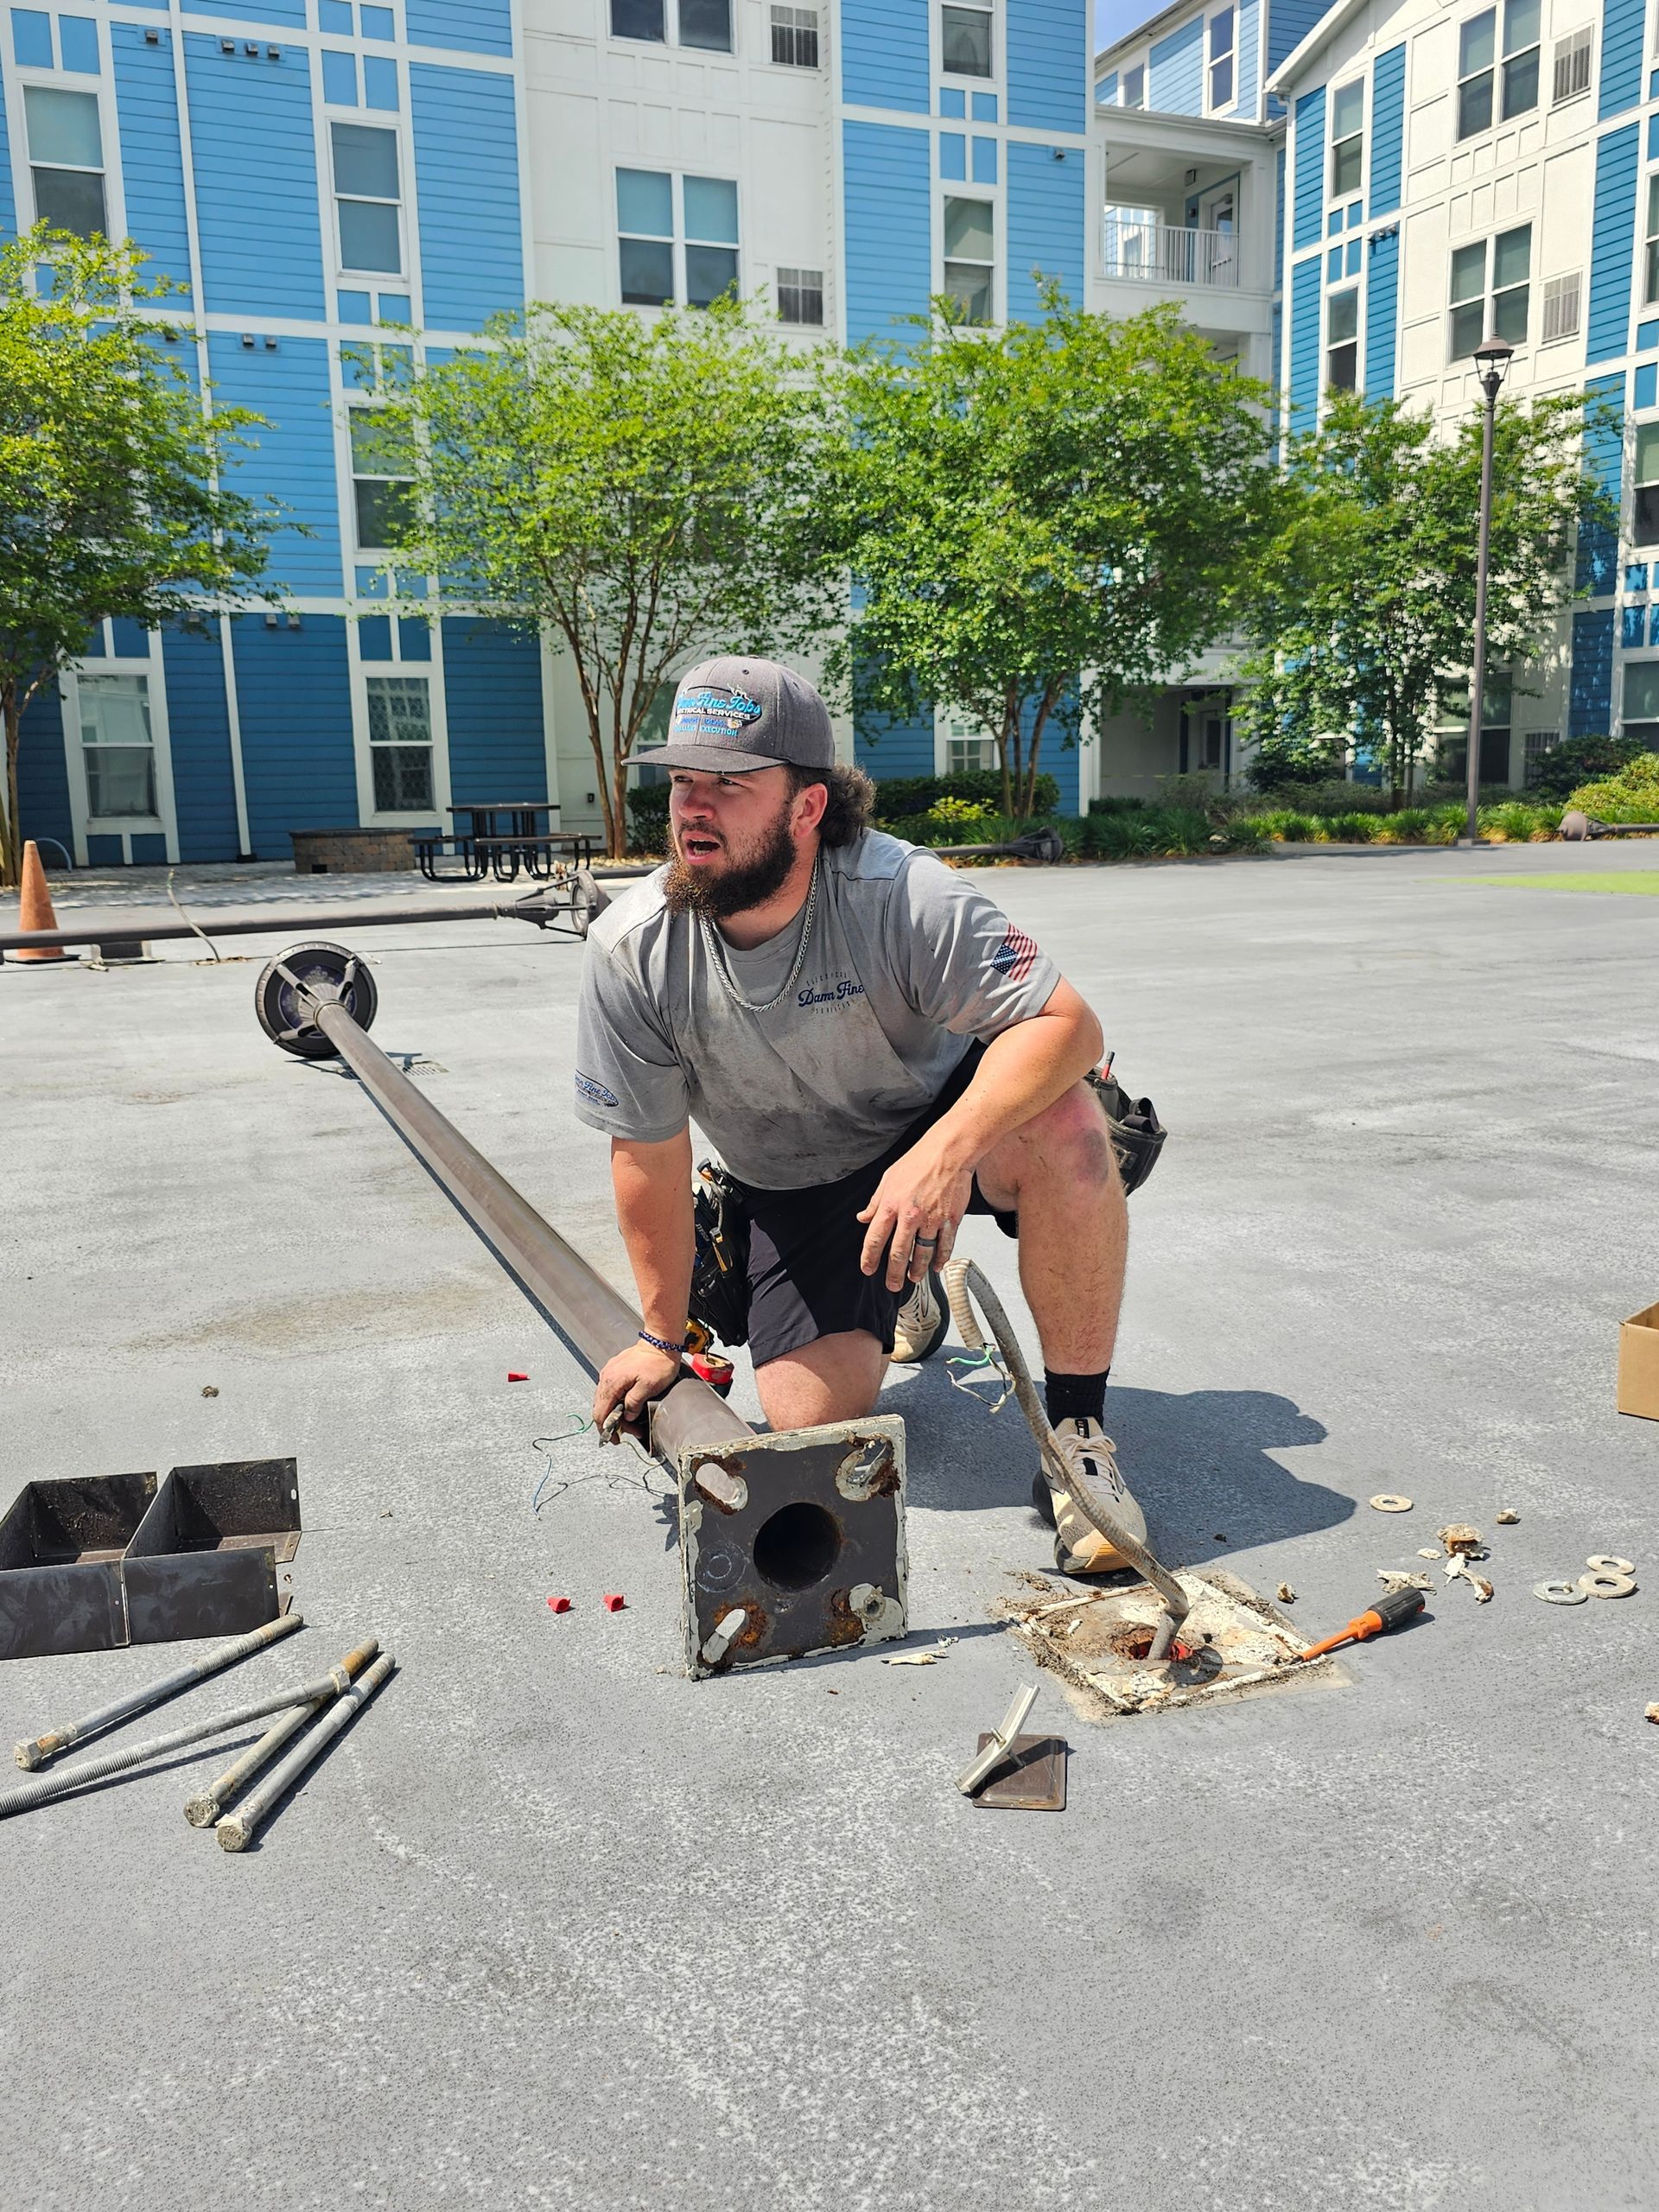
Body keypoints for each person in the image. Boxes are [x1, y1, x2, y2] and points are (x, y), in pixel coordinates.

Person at [574, 655, 1144, 1575]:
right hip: (796, 1185)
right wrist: (657, 1334)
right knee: (808, 1424)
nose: (692, 807)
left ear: (808, 807)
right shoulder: (633, 950)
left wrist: (944, 1156)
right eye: (681, 780)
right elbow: (647, 1148)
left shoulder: (899, 893)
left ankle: (1078, 1432)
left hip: (932, 1122)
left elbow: (1069, 1024)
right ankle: (906, 1281)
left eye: (728, 782)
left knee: (1069, 1126)